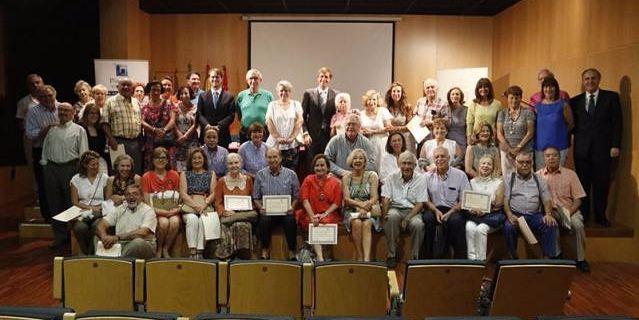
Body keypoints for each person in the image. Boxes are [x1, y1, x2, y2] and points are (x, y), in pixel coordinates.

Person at [570, 68, 622, 227]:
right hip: (582, 151)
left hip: (603, 150)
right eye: (586, 79)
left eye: (593, 78)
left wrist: (615, 145)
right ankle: (584, 215)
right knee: (583, 185)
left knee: (602, 184)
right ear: (583, 81)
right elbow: (571, 125)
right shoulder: (575, 101)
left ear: (599, 79)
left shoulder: (611, 98)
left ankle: (601, 216)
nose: (590, 81)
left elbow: (617, 124)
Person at [41, 102, 89, 248]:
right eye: (60, 110)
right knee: (54, 203)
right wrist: (45, 164)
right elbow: (45, 148)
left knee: (71, 203)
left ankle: (74, 237)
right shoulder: (52, 129)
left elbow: (83, 152)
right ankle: (60, 236)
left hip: (70, 168)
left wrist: (82, 171)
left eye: (66, 110)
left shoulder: (79, 130)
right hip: (52, 168)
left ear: (73, 112)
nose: (62, 113)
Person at [537, 146, 589, 272]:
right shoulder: (537, 175)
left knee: (578, 225)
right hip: (550, 210)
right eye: (548, 156)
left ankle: (581, 259)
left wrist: (569, 212)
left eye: (554, 155)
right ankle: (557, 256)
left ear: (559, 157)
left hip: (569, 209)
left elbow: (578, 198)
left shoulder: (570, 174)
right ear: (544, 158)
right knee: (550, 223)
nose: (551, 158)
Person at [503, 151, 557, 259]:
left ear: (532, 163)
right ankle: (512, 258)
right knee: (509, 227)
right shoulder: (509, 178)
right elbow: (505, 200)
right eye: (521, 162)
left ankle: (548, 258)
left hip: (534, 215)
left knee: (550, 224)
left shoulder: (539, 179)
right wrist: (509, 215)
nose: (524, 165)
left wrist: (548, 214)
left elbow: (546, 199)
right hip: (516, 215)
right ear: (515, 163)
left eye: (528, 162)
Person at [423, 147, 471, 259]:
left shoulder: (460, 175)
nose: (440, 159)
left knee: (456, 221)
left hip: (454, 209)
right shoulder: (426, 177)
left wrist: (451, 212)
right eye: (437, 157)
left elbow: (465, 198)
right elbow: (425, 199)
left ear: (449, 158)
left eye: (443, 156)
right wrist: (435, 210)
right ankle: (427, 258)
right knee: (427, 219)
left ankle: (459, 259)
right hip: (434, 208)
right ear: (433, 160)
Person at [253, 147, 300, 260]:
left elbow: (297, 196)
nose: (272, 159)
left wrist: (292, 207)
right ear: (265, 158)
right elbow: (255, 197)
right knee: (264, 220)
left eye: (275, 157)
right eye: (269, 157)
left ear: (280, 158)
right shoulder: (260, 175)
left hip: (285, 211)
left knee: (290, 220)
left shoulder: (291, 174)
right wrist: (260, 208)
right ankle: (265, 249)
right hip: (267, 212)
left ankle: (292, 250)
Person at [382, 151, 427, 268]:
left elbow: (420, 203)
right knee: (391, 217)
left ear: (415, 165)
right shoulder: (391, 177)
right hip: (395, 208)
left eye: (409, 163)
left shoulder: (421, 179)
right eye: (403, 163)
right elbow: (386, 199)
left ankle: (414, 258)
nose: (406, 167)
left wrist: (407, 218)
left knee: (418, 224)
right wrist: (384, 216)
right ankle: (391, 255)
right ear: (398, 164)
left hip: (413, 211)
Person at [296, 154, 342, 262]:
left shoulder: (335, 182)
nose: (319, 168)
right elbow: (305, 200)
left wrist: (324, 214)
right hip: (310, 213)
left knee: (326, 222)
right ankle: (320, 258)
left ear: (328, 168)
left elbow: (336, 203)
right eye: (317, 165)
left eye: (322, 165)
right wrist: (313, 216)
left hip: (328, 213)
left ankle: (326, 254)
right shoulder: (308, 180)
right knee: (313, 223)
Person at [25, 85, 59, 222]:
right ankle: (48, 217)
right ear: (38, 99)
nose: (47, 98)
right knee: (44, 185)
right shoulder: (33, 112)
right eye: (43, 97)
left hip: (61, 150)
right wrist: (43, 131)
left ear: (55, 95)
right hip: (41, 151)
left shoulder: (63, 107)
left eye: (50, 95)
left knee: (62, 184)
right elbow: (29, 133)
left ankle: (65, 217)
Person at [214, 153, 257, 259]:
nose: (234, 166)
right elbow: (218, 202)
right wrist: (224, 212)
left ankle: (242, 256)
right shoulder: (221, 181)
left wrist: (249, 208)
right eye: (230, 163)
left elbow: (253, 199)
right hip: (229, 213)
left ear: (241, 164)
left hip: (245, 213)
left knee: (243, 223)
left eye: (236, 162)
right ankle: (228, 256)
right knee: (233, 225)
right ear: (227, 166)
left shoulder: (248, 180)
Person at [95, 184, 157, 259]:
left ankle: (115, 262)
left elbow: (142, 233)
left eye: (135, 194)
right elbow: (102, 224)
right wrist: (104, 237)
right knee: (97, 237)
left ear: (141, 197)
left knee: (138, 242)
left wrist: (117, 237)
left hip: (144, 246)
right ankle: (103, 261)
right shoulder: (120, 209)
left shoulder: (148, 211)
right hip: (121, 244)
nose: (131, 197)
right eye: (128, 194)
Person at [141, 147, 181, 258]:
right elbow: (147, 204)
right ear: (152, 160)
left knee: (174, 222)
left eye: (163, 158)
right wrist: (163, 212)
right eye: (157, 158)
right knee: (163, 223)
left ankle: (166, 248)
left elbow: (180, 198)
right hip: (155, 211)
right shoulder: (146, 177)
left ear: (168, 160)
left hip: (173, 211)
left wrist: (177, 210)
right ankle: (158, 249)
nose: (160, 160)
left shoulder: (174, 175)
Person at [342, 148, 380, 262]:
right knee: (357, 223)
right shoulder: (346, 177)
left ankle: (367, 258)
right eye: (355, 158)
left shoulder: (372, 175)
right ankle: (359, 255)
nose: (358, 160)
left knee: (367, 223)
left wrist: (366, 207)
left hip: (369, 209)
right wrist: (359, 207)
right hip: (351, 210)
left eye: (361, 158)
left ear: (365, 162)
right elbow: (347, 199)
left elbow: (374, 197)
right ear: (351, 161)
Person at [466, 155, 505, 261]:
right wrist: (472, 209)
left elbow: (499, 204)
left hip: (492, 216)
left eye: (489, 164)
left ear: (493, 167)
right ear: (478, 166)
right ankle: (472, 259)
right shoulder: (472, 182)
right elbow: (468, 202)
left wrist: (485, 210)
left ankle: (481, 261)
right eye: (483, 163)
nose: (485, 166)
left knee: (480, 228)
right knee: (469, 226)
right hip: (475, 216)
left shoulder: (499, 182)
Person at [179, 148, 216, 259]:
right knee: (192, 219)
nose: (197, 160)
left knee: (203, 220)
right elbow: (183, 194)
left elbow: (213, 193)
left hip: (205, 205)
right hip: (190, 205)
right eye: (194, 158)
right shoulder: (185, 174)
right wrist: (196, 206)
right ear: (190, 161)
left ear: (204, 159)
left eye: (199, 158)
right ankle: (192, 251)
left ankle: (200, 252)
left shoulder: (211, 174)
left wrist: (204, 205)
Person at [302, 67, 338, 177]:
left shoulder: (336, 94)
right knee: (312, 163)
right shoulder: (308, 93)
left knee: (327, 162)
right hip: (312, 136)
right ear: (317, 78)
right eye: (321, 76)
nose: (324, 79)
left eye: (326, 77)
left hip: (329, 135)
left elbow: (340, 112)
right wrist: (305, 133)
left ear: (330, 79)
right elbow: (302, 116)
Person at [102, 78, 143, 174]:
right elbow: (104, 123)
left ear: (132, 87)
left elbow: (140, 122)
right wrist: (111, 139)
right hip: (118, 142)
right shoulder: (110, 102)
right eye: (123, 85)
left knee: (135, 171)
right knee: (118, 172)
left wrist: (140, 141)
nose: (126, 87)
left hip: (135, 143)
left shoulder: (136, 102)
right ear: (117, 87)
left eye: (128, 85)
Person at [71, 151, 109, 255]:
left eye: (97, 164)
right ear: (85, 165)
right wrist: (90, 208)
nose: (96, 167)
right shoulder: (76, 179)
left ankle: (91, 254)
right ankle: (86, 253)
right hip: (83, 211)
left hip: (99, 211)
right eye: (93, 165)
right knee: (80, 228)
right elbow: (75, 202)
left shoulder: (104, 177)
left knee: (96, 227)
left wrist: (97, 208)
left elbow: (107, 200)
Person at [534, 77, 574, 170]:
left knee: (557, 175)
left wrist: (559, 132)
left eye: (552, 86)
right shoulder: (538, 106)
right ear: (542, 89)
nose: (548, 89)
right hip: (540, 146)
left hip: (559, 146)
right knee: (541, 176)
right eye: (546, 87)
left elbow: (571, 124)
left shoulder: (563, 105)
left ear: (556, 88)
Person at [496, 86, 535, 178]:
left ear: (521, 98)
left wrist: (518, 148)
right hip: (506, 152)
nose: (514, 100)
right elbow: (499, 133)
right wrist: (509, 149)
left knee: (525, 178)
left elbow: (530, 132)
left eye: (516, 98)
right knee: (508, 178)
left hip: (525, 151)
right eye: (511, 98)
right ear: (507, 98)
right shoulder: (502, 113)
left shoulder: (528, 112)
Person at [265, 80, 303, 169]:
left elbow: (299, 121)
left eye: (286, 90)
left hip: (292, 144)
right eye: (281, 90)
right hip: (275, 144)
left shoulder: (296, 104)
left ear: (290, 92)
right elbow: (268, 121)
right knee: (274, 170)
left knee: (291, 172)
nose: (284, 93)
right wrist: (277, 137)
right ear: (278, 92)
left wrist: (292, 137)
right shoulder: (272, 105)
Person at [324, 113, 376, 177]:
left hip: (359, 177)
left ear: (359, 127)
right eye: (348, 124)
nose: (350, 127)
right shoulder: (335, 140)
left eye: (353, 124)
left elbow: (372, 163)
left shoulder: (366, 142)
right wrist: (342, 172)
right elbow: (326, 160)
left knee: (374, 175)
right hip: (339, 176)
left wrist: (357, 172)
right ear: (344, 126)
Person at [141, 80, 177, 170]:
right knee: (151, 169)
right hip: (151, 144)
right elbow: (141, 121)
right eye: (153, 90)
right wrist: (154, 129)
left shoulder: (168, 104)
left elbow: (173, 120)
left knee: (168, 169)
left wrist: (164, 130)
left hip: (166, 142)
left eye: (158, 90)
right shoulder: (144, 106)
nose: (156, 92)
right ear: (149, 91)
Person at [197, 68, 235, 149]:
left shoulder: (229, 97)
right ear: (209, 79)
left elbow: (231, 115)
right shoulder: (202, 96)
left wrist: (219, 126)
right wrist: (207, 125)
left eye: (217, 77)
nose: (215, 79)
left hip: (223, 135)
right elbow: (199, 114)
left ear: (221, 79)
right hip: (206, 134)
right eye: (212, 77)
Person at [236, 69, 273, 143]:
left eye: (256, 78)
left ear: (260, 80)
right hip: (245, 132)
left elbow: (272, 114)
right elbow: (239, 114)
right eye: (251, 78)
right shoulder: (241, 95)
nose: (253, 81)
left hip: (264, 132)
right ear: (247, 80)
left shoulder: (268, 95)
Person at [360, 89, 393, 173]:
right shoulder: (361, 114)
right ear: (366, 101)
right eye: (369, 99)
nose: (372, 102)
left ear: (377, 101)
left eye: (374, 99)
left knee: (382, 166)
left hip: (382, 143)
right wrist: (363, 132)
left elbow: (389, 128)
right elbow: (360, 129)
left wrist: (372, 132)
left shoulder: (383, 111)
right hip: (367, 144)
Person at [466, 78, 502, 145]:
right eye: (480, 87)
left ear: (490, 89)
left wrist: (498, 138)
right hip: (476, 139)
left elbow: (499, 124)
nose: (483, 89)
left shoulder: (497, 104)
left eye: (485, 87)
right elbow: (469, 123)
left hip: (492, 139)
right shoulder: (473, 104)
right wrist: (469, 138)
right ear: (477, 89)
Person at [174, 85, 200, 172]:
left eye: (186, 93)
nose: (183, 95)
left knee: (192, 163)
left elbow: (195, 125)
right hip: (178, 140)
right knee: (179, 167)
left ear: (190, 94)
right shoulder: (175, 107)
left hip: (191, 140)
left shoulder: (196, 108)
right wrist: (179, 134)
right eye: (181, 93)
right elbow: (173, 122)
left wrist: (185, 136)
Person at [79, 103, 110, 175]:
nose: (94, 115)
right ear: (86, 114)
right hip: (85, 162)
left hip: (100, 160)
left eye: (96, 113)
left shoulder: (100, 129)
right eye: (91, 113)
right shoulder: (80, 128)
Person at [385, 82, 415, 153]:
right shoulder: (386, 108)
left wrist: (396, 128)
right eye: (394, 91)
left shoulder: (407, 107)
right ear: (390, 93)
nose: (396, 93)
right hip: (392, 139)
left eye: (398, 91)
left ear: (402, 93)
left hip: (405, 138)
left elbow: (410, 126)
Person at [446, 87, 468, 162]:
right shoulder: (446, 109)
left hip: (461, 141)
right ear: (449, 96)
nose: (455, 96)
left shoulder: (466, 110)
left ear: (461, 97)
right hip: (448, 141)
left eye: (457, 94)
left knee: (458, 162)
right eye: (452, 94)